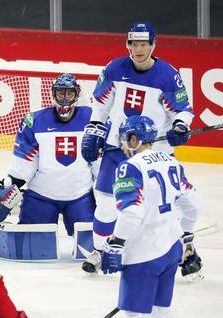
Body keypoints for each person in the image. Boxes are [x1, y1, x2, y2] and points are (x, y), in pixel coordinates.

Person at [81, 21, 202, 277]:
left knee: (166, 205)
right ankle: (101, 251)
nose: (138, 49)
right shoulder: (115, 68)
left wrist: (179, 125)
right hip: (118, 146)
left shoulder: (168, 75)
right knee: (104, 202)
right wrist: (94, 127)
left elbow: (183, 110)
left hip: (154, 151)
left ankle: (185, 247)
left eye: (143, 44)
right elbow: (101, 105)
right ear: (128, 45)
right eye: (134, 43)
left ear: (153, 45)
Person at [100, 116, 199, 318]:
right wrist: (186, 234)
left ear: (133, 139)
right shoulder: (170, 161)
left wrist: (116, 244)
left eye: (125, 137)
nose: (123, 144)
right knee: (162, 311)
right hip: (171, 247)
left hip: (143, 252)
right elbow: (193, 203)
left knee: (137, 316)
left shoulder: (128, 167)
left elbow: (131, 213)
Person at [0, 73, 97, 236]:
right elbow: (24, 165)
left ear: (77, 95)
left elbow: (99, 161)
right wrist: (9, 185)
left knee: (91, 248)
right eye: (61, 93)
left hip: (81, 196)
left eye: (70, 93)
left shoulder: (93, 119)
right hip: (41, 197)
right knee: (32, 250)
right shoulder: (34, 120)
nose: (65, 98)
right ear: (53, 94)